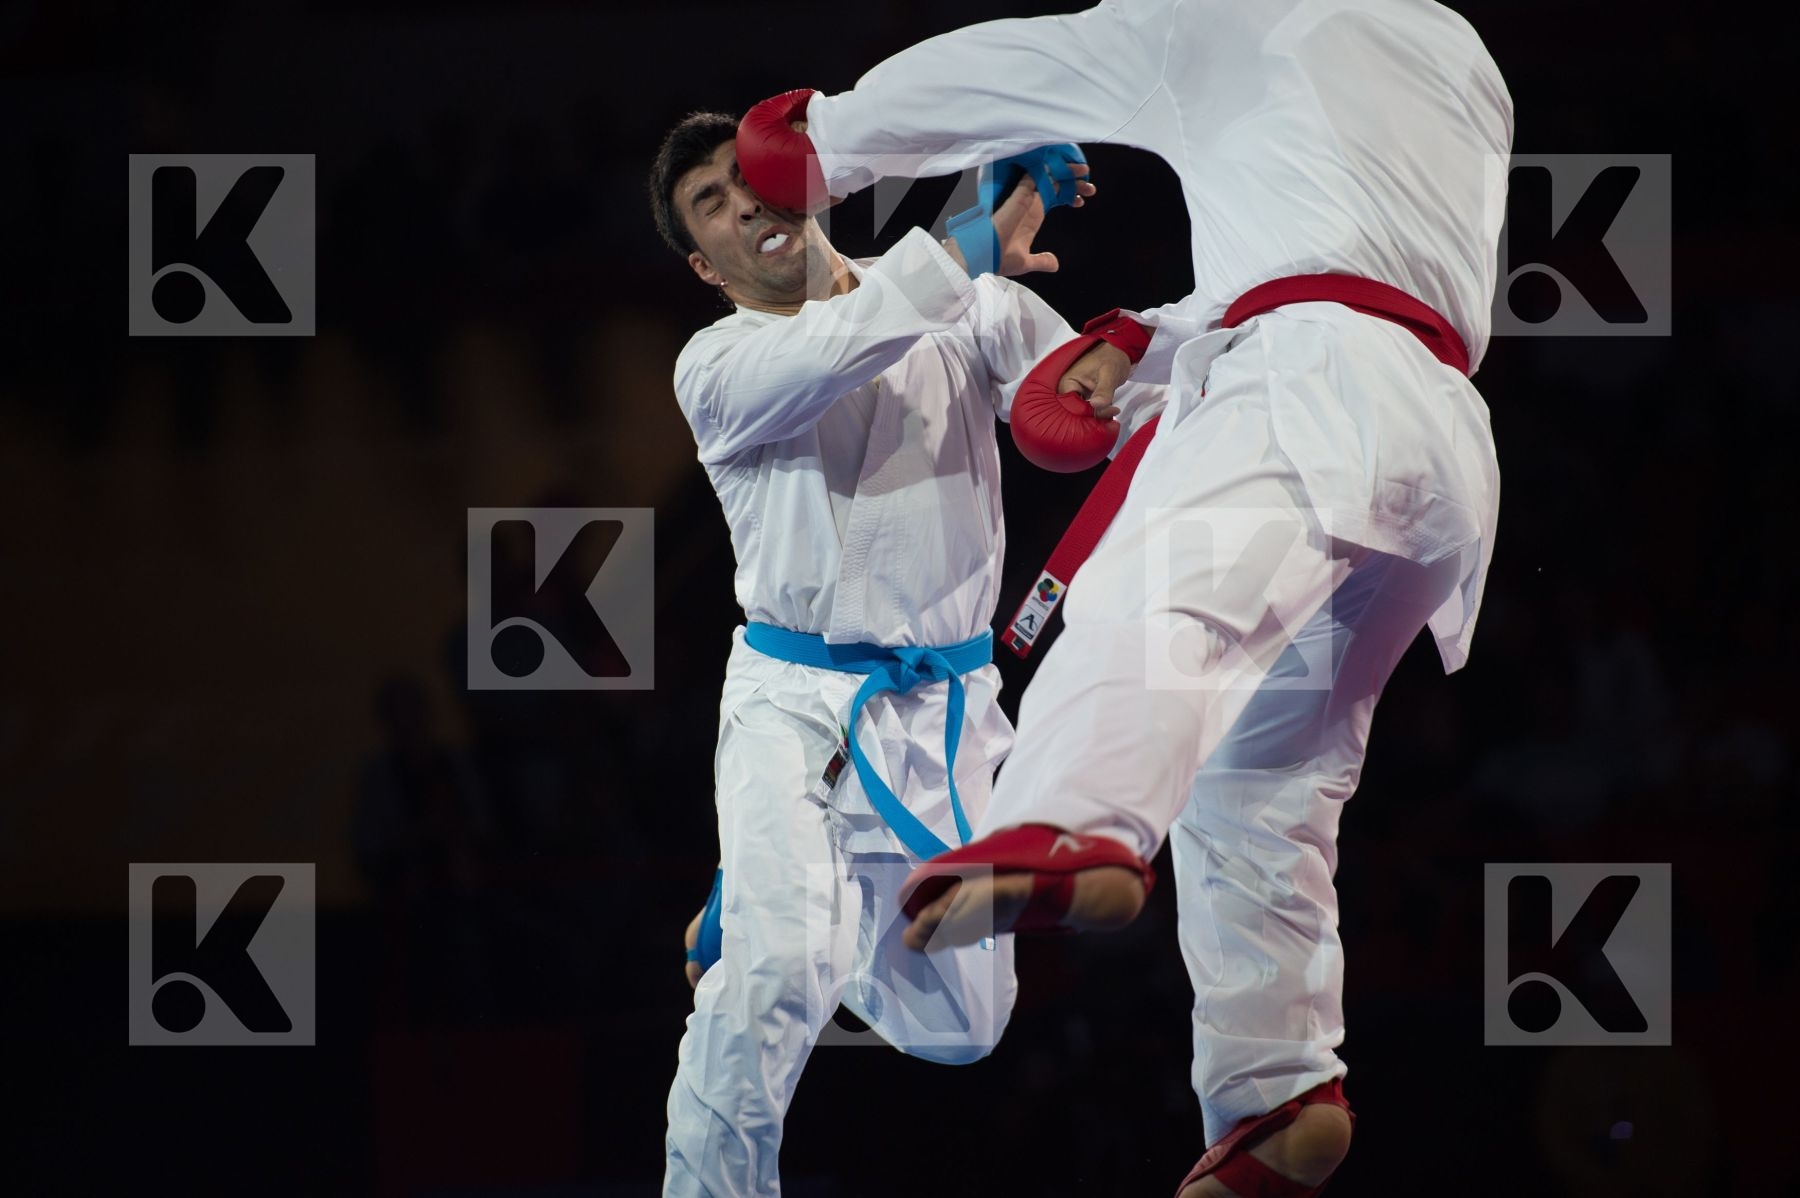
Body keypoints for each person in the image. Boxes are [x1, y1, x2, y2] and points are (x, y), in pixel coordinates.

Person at [735, 1, 1513, 1193]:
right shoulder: (1459, 54)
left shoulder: (1235, 20)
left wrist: (827, 140)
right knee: (1267, 774)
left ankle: (1069, 819)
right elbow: (1353, 251)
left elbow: (1016, 66)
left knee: (1152, 618)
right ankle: (1276, 1084)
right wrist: (1143, 343)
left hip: (1305, 389)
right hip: (1442, 441)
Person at [648, 112, 1146, 1197]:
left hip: (949, 705)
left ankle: (785, 893)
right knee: (778, 979)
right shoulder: (718, 364)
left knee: (967, 1027)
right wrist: (965, 234)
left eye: (749, 180)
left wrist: (1133, 356)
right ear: (703, 263)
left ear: (804, 187)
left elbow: (1089, 395)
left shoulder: (966, 291)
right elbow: (848, 342)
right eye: (713, 206)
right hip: (797, 705)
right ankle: (777, 929)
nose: (745, 208)